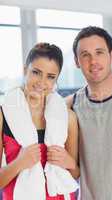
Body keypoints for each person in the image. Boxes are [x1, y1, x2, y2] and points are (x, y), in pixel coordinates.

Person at [0, 42, 79, 200]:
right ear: (25, 70)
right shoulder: (4, 115)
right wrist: (20, 163)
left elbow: (76, 173)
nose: (42, 82)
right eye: (36, 72)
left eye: (50, 77)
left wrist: (69, 162)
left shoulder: (68, 117)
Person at [66, 26, 112, 200]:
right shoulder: (71, 106)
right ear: (76, 61)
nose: (93, 61)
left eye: (99, 52)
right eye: (85, 55)